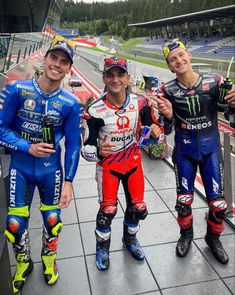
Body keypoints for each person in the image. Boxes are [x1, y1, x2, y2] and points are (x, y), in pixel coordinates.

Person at [0, 36, 83, 293]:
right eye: (54, 58)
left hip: (51, 172)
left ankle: (49, 260)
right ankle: (24, 263)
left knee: (52, 219)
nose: (57, 64)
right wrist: (27, 147)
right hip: (20, 169)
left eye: (64, 61)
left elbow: (74, 144)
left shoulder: (71, 103)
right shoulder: (17, 90)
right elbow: (1, 128)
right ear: (45, 59)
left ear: (69, 68)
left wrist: (69, 181)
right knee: (14, 225)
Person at [156, 39, 235, 264]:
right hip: (184, 152)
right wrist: (169, 115)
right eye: (173, 59)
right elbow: (166, 129)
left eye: (181, 55)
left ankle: (213, 238)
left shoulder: (216, 81)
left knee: (218, 204)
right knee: (183, 201)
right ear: (169, 66)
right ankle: (186, 235)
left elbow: (231, 119)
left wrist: (233, 105)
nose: (178, 60)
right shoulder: (167, 90)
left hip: (211, 151)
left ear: (189, 56)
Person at [81, 56, 163, 270]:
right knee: (107, 211)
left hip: (134, 163)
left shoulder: (141, 103)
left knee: (137, 208)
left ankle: (129, 240)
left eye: (120, 74)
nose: (115, 79)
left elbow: (154, 130)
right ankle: (102, 247)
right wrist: (98, 151)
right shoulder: (94, 111)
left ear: (128, 78)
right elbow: (86, 149)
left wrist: (155, 131)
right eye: (110, 74)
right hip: (108, 167)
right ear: (104, 78)